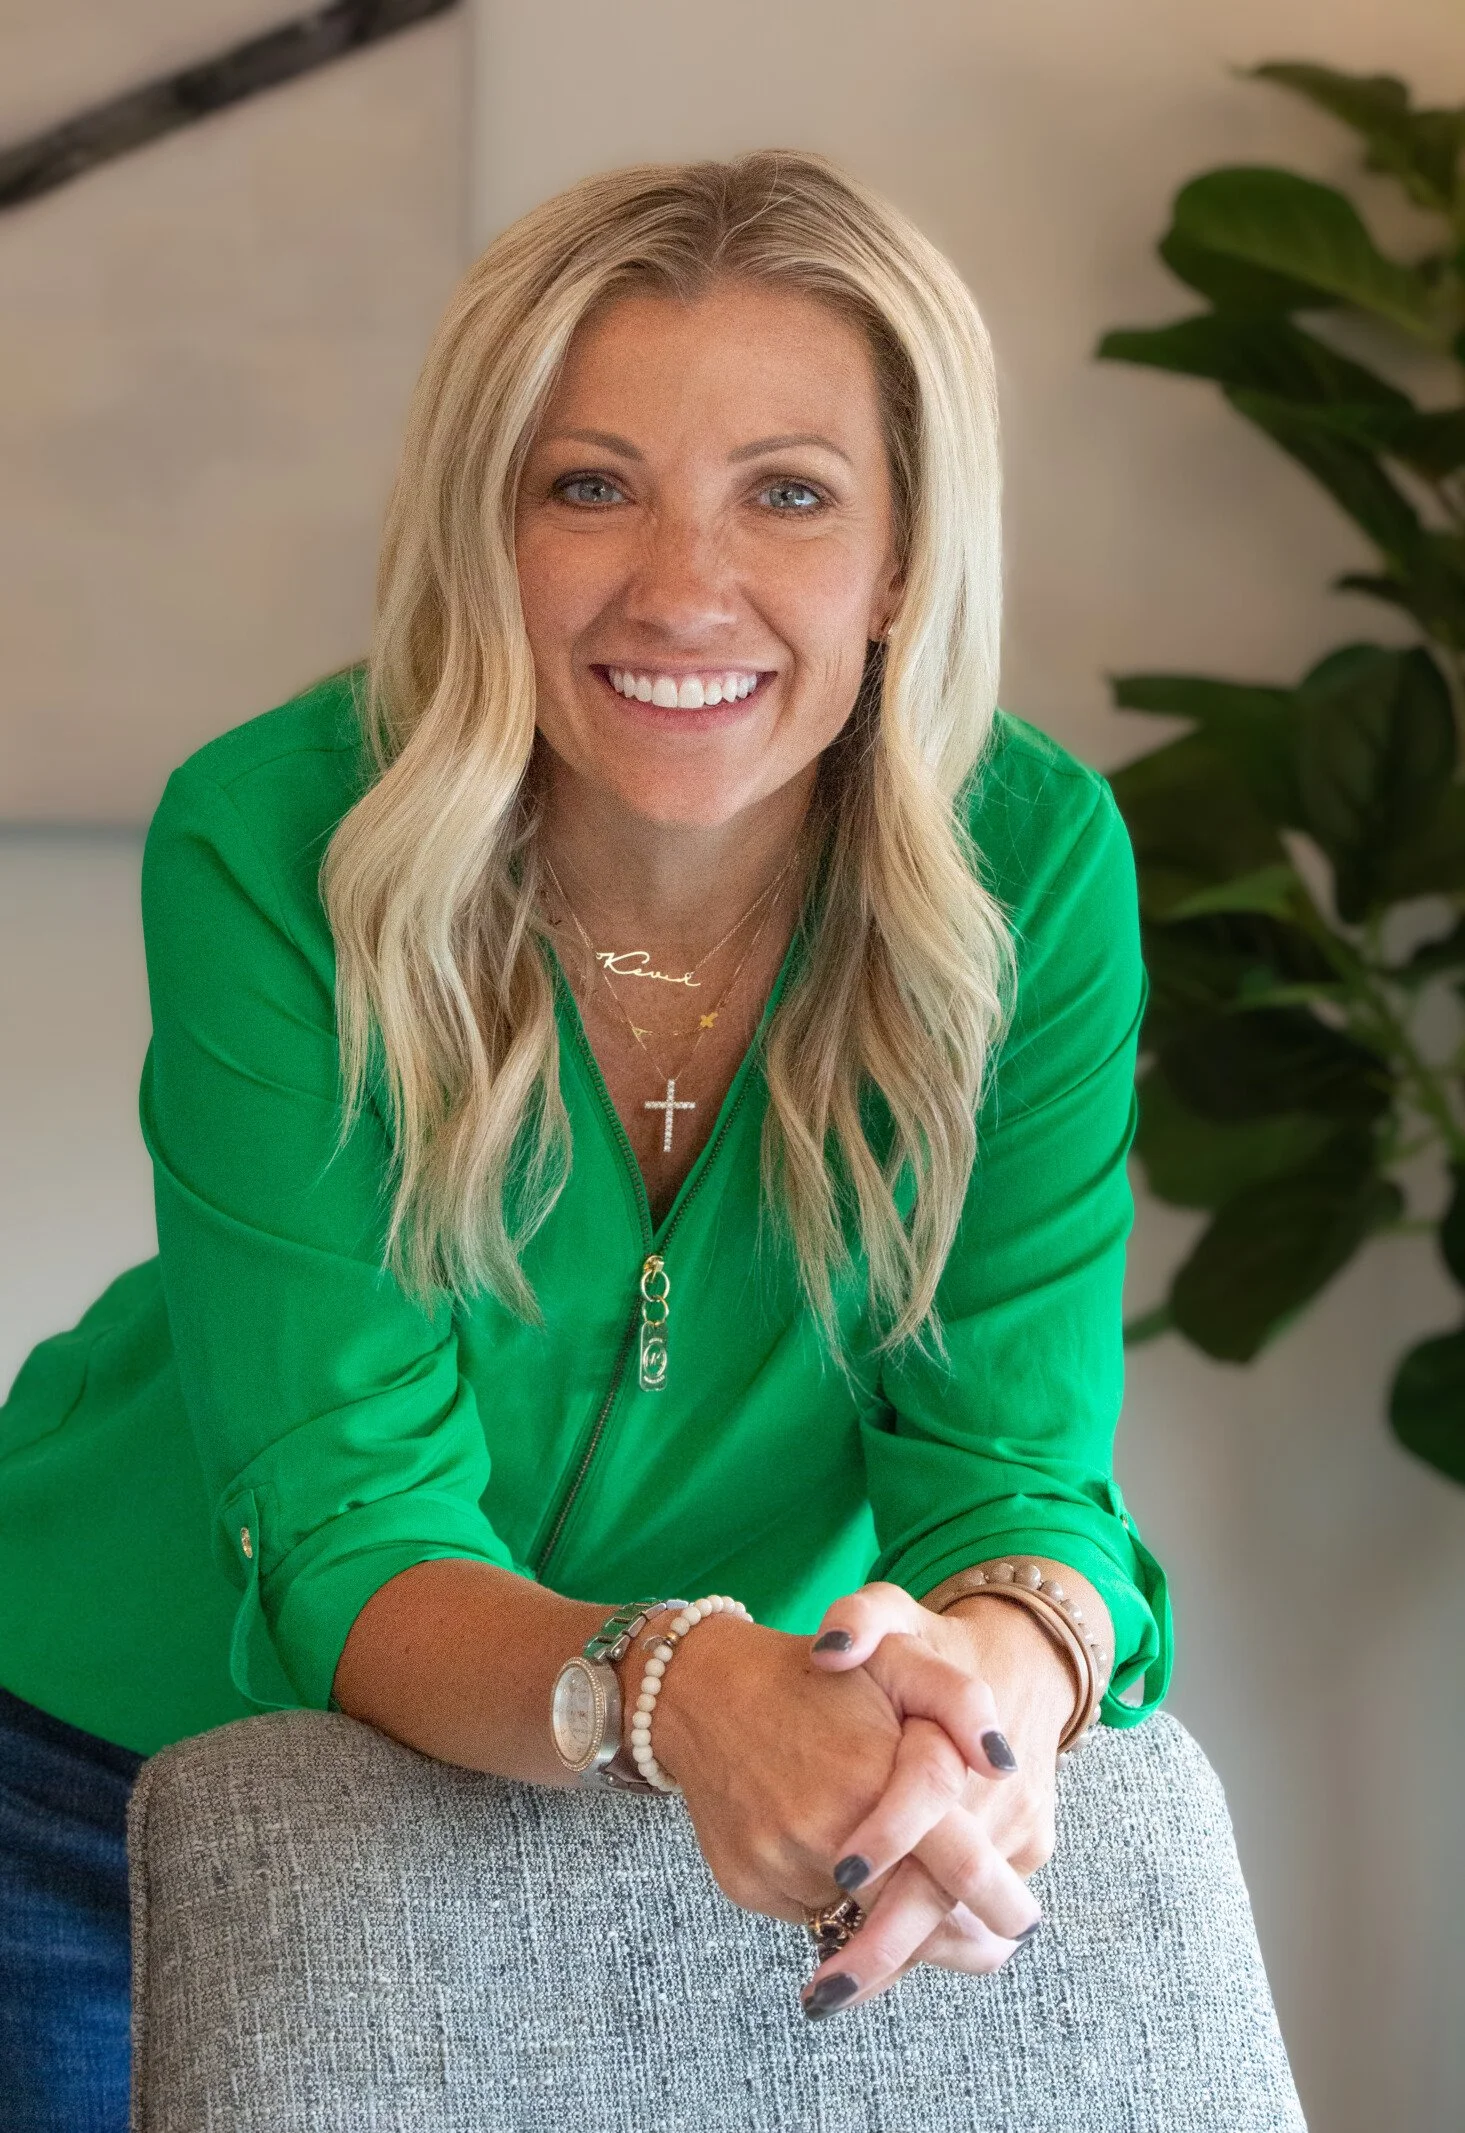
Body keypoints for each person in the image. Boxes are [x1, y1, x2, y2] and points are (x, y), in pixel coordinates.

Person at [0, 149, 1171, 2127]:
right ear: (487, 527)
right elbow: (351, 1522)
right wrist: (690, 1692)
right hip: (82, 1785)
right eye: (588, 483)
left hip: (682, 1799)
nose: (680, 588)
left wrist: (985, 1714)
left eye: (787, 492)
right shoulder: (274, 840)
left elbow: (1017, 1473)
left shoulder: (1031, 865)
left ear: (904, 555)